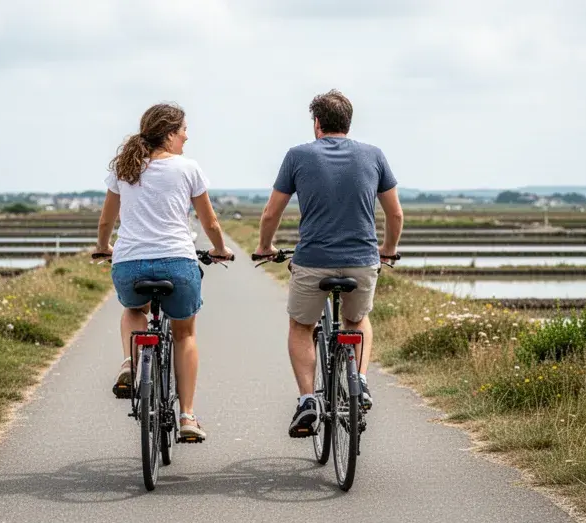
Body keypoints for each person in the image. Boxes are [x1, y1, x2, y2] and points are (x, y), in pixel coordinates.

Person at [254, 89, 404, 437]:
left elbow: (271, 213)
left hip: (313, 261)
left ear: (317, 123)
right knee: (357, 319)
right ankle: (361, 381)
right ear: (348, 123)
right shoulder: (374, 155)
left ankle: (307, 399)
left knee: (301, 327)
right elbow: (394, 213)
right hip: (362, 260)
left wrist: (265, 247)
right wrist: (387, 250)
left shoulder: (297, 156)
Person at [93, 102, 233, 442]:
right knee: (184, 334)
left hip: (129, 264)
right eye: (184, 130)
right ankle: (187, 416)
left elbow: (106, 221)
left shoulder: (125, 168)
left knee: (133, 308)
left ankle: (129, 361)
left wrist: (103, 247)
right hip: (177, 262)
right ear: (170, 134)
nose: (187, 136)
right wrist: (220, 249)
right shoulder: (188, 168)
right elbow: (209, 221)